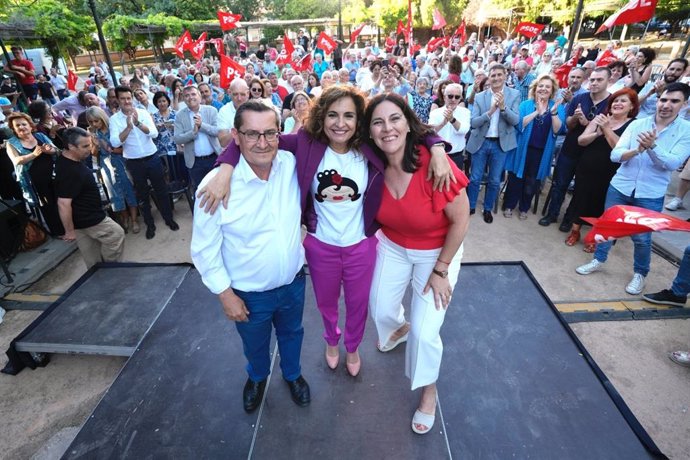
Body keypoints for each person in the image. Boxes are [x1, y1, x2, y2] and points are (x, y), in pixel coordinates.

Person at [198, 86, 452, 378]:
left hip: (362, 245)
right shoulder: (306, 144)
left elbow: (416, 131)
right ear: (322, 117)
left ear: (360, 121)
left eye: (348, 116)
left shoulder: (371, 147)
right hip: (320, 246)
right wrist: (225, 168)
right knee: (326, 303)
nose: (340, 123)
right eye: (332, 114)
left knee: (358, 305)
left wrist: (437, 147)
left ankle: (353, 347)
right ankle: (332, 342)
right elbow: (254, 139)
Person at [191, 100, 311, 413]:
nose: (262, 143)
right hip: (248, 293)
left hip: (293, 282)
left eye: (270, 134)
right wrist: (224, 294)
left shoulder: (292, 164)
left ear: (279, 133)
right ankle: (257, 377)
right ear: (237, 135)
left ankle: (293, 374)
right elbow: (204, 248)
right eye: (252, 134)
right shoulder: (213, 186)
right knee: (255, 343)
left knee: (292, 333)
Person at [363, 93, 470, 435]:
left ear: (408, 124)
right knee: (379, 309)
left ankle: (428, 391)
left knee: (425, 335)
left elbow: (461, 219)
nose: (387, 128)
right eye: (377, 122)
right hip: (392, 245)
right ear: (369, 131)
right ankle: (398, 328)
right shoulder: (368, 162)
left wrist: (441, 270)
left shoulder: (433, 161)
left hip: (437, 251)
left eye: (394, 119)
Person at [576, 83, 690, 295]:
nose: (666, 105)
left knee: (642, 238)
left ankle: (640, 274)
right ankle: (598, 260)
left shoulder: (686, 130)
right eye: (664, 100)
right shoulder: (639, 124)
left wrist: (652, 147)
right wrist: (636, 150)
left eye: (674, 101)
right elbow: (616, 155)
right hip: (621, 185)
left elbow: (673, 164)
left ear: (684, 104)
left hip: (650, 193)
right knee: (607, 227)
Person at [539, 67, 612, 231]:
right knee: (560, 184)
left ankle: (569, 219)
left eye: (599, 80)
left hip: (592, 154)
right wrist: (576, 118)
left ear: (608, 81)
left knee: (580, 188)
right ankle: (552, 214)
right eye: (592, 79)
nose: (594, 83)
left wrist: (589, 125)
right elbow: (568, 125)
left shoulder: (611, 103)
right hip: (570, 149)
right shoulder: (579, 98)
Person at [565, 88, 637, 251]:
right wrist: (597, 133)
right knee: (580, 198)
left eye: (623, 101)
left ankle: (594, 236)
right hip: (587, 166)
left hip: (611, 171)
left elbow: (620, 149)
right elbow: (581, 140)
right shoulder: (600, 118)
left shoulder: (633, 124)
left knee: (601, 203)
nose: (618, 104)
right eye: (615, 101)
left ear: (631, 106)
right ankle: (575, 232)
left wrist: (607, 129)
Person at [109, 86, 178, 240]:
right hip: (134, 162)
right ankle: (149, 224)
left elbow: (153, 133)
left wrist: (137, 123)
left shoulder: (143, 113)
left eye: (128, 98)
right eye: (123, 99)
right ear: (118, 101)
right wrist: (128, 127)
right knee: (142, 194)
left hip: (152, 157)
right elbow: (114, 142)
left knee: (161, 190)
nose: (127, 101)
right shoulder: (114, 120)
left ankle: (168, 219)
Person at [55, 127, 125, 268]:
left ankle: (97, 277)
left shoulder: (65, 159)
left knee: (92, 257)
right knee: (116, 234)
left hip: (80, 222)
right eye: (85, 146)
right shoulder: (71, 170)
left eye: (90, 144)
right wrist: (68, 230)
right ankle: (110, 271)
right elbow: (63, 203)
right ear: (71, 146)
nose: (89, 148)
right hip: (90, 218)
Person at [503, 74, 565, 220]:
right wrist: (537, 111)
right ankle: (509, 205)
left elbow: (557, 130)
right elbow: (519, 124)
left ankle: (524, 207)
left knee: (532, 180)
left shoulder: (557, 107)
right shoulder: (526, 104)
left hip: (542, 151)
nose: (543, 89)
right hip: (522, 149)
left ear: (552, 90)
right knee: (515, 178)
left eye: (547, 87)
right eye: (541, 86)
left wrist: (554, 113)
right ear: (535, 88)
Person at [466, 63, 521, 223]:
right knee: (475, 178)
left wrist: (503, 108)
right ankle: (470, 205)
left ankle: (488, 208)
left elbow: (516, 120)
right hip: (481, 142)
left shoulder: (514, 94)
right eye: (493, 75)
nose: (496, 78)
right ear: (489, 78)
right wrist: (489, 113)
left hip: (500, 144)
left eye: (499, 74)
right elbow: (474, 122)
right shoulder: (479, 96)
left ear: (505, 76)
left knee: (495, 180)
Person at [5, 112, 64, 236]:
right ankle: (58, 232)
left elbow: (57, 151)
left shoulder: (40, 136)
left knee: (62, 201)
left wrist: (50, 151)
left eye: (24, 124)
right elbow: (16, 161)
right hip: (35, 182)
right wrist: (33, 154)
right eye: (17, 125)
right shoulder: (11, 143)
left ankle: (70, 225)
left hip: (54, 176)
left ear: (30, 126)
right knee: (48, 206)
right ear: (13, 129)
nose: (21, 127)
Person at [85, 107, 139, 233]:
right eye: (91, 122)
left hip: (121, 163)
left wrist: (109, 148)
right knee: (116, 194)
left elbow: (124, 149)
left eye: (96, 121)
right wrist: (95, 145)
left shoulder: (113, 128)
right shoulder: (94, 134)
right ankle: (125, 218)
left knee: (129, 191)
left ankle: (134, 220)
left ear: (102, 118)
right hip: (106, 166)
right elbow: (93, 155)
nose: (94, 124)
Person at [173, 86, 222, 193]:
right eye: (186, 95)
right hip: (194, 162)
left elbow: (218, 131)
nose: (190, 97)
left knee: (218, 189)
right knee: (200, 192)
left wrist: (202, 126)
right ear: (183, 99)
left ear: (200, 97)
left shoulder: (211, 111)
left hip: (214, 158)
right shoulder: (180, 116)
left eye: (193, 94)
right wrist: (193, 133)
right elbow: (177, 139)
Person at [429, 83, 471, 169]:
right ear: (444, 97)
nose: (453, 99)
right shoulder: (435, 113)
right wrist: (442, 124)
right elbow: (430, 133)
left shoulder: (465, 112)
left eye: (457, 97)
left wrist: (452, 120)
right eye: (450, 96)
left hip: (457, 156)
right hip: (439, 155)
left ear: (460, 99)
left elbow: (464, 130)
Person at [218, 79, 250, 147]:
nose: (239, 98)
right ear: (229, 92)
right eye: (235, 94)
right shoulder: (224, 111)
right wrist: (240, 127)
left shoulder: (255, 109)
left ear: (248, 93)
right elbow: (223, 142)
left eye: (242, 94)